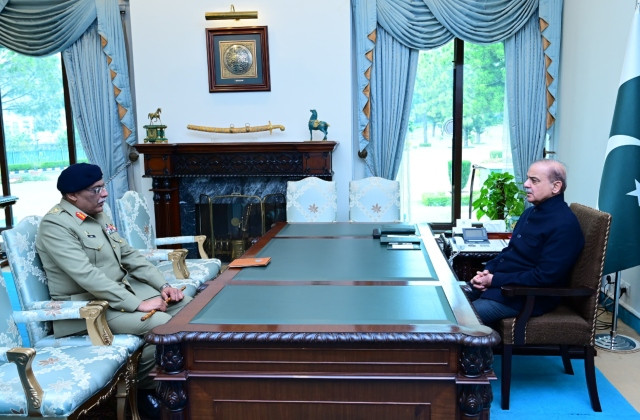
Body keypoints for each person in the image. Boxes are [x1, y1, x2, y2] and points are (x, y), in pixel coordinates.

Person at [36, 163, 190, 418]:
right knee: (164, 324)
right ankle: (145, 389)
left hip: (117, 295)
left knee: (191, 306)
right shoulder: (55, 226)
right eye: (96, 190)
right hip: (86, 309)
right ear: (72, 195)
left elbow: (128, 254)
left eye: (103, 186)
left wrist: (163, 286)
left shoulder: (96, 213)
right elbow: (86, 275)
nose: (105, 194)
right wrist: (137, 304)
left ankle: (191, 377)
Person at [466, 159, 585, 327]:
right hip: (502, 288)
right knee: (448, 304)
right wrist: (487, 271)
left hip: (526, 297)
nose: (526, 185)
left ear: (556, 187)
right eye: (528, 179)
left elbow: (544, 277)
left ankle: (478, 353)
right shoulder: (529, 213)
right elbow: (510, 252)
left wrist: (494, 280)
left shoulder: (564, 225)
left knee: (461, 320)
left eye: (534, 181)